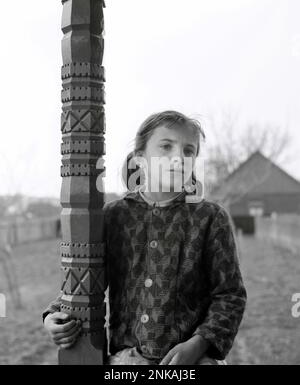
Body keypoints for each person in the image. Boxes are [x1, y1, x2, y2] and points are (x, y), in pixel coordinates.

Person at [43, 110, 247, 365]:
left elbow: (230, 294)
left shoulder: (210, 218)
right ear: (140, 159)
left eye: (188, 151)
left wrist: (199, 344)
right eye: (166, 146)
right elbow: (88, 279)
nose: (179, 158)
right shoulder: (114, 216)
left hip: (196, 361)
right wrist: (54, 315)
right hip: (128, 360)